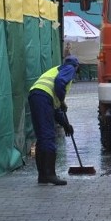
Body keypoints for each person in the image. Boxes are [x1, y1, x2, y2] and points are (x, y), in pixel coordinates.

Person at [28, 55, 80, 185]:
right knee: (48, 135)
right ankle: (50, 174)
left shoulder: (56, 69)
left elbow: (56, 110)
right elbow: (60, 83)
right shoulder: (70, 68)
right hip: (43, 97)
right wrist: (62, 100)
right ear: (76, 67)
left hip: (36, 95)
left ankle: (43, 176)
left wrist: (66, 124)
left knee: (42, 136)